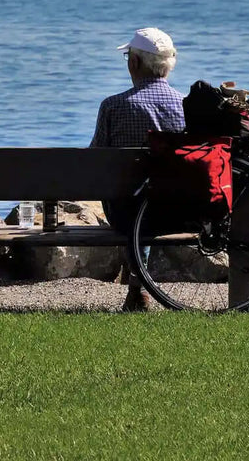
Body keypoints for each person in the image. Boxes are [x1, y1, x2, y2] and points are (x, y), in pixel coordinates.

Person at [91, 27, 185, 311]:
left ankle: (139, 287)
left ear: (134, 63)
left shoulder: (114, 106)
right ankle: (137, 287)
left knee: (133, 199)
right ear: (169, 66)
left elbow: (92, 161)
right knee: (152, 193)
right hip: (178, 211)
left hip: (125, 213)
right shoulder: (186, 105)